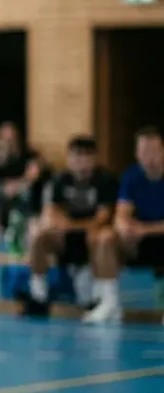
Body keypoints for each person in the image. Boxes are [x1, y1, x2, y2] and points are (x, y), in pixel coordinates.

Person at [20, 135, 116, 315]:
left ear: (93, 158)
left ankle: (100, 297)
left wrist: (73, 225)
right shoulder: (59, 179)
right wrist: (63, 224)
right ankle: (38, 294)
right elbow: (50, 212)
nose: (78, 161)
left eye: (83, 156)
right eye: (74, 156)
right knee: (40, 235)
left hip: (91, 237)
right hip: (65, 236)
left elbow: (103, 217)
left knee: (101, 236)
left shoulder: (105, 180)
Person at [83, 127, 164, 325]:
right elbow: (121, 213)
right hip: (138, 243)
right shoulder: (131, 175)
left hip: (159, 237)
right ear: (137, 154)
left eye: (153, 150)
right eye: (144, 151)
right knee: (105, 237)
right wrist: (124, 227)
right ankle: (109, 303)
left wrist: (144, 229)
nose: (149, 157)